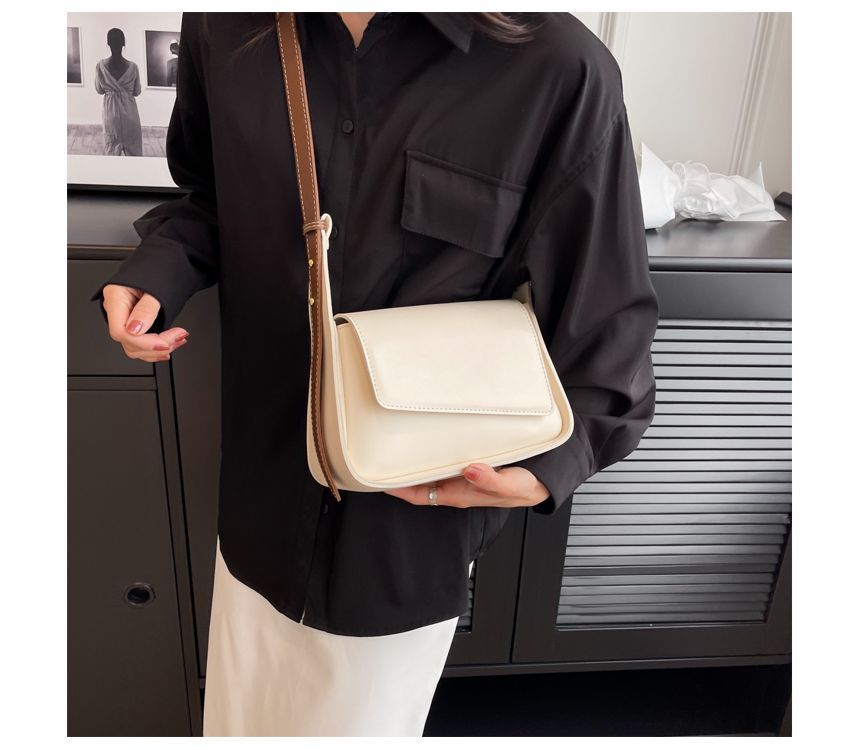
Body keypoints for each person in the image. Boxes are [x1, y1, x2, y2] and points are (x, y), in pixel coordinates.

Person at [89, 11, 659, 736]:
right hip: (258, 509)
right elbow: (209, 197)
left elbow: (607, 319)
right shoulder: (226, 25)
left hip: (406, 534)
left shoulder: (557, 67)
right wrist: (158, 271)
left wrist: (548, 470)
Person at [94, 27, 143, 156]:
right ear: (124, 43)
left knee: (111, 152)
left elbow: (99, 90)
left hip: (111, 115)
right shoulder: (133, 67)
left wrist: (111, 89)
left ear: (108, 43)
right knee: (134, 154)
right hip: (130, 114)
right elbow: (137, 91)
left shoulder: (100, 66)